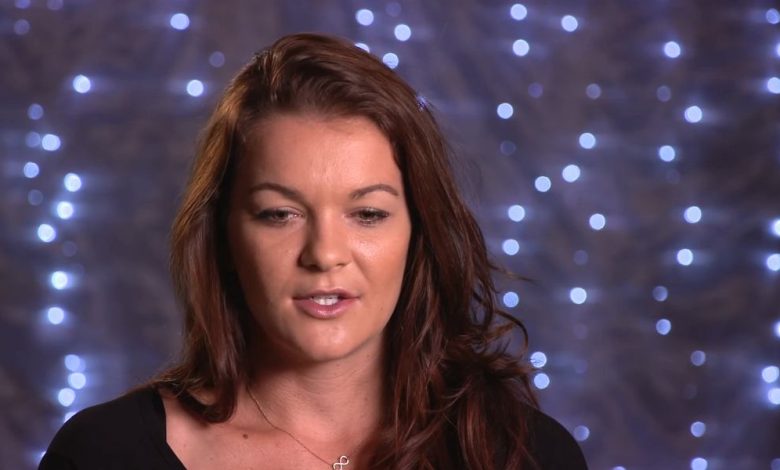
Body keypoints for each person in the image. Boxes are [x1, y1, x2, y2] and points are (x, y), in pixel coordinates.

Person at [40, 33, 588, 469]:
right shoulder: (103, 454)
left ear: (418, 233)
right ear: (224, 234)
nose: (325, 254)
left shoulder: (527, 454)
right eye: (280, 214)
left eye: (367, 214)